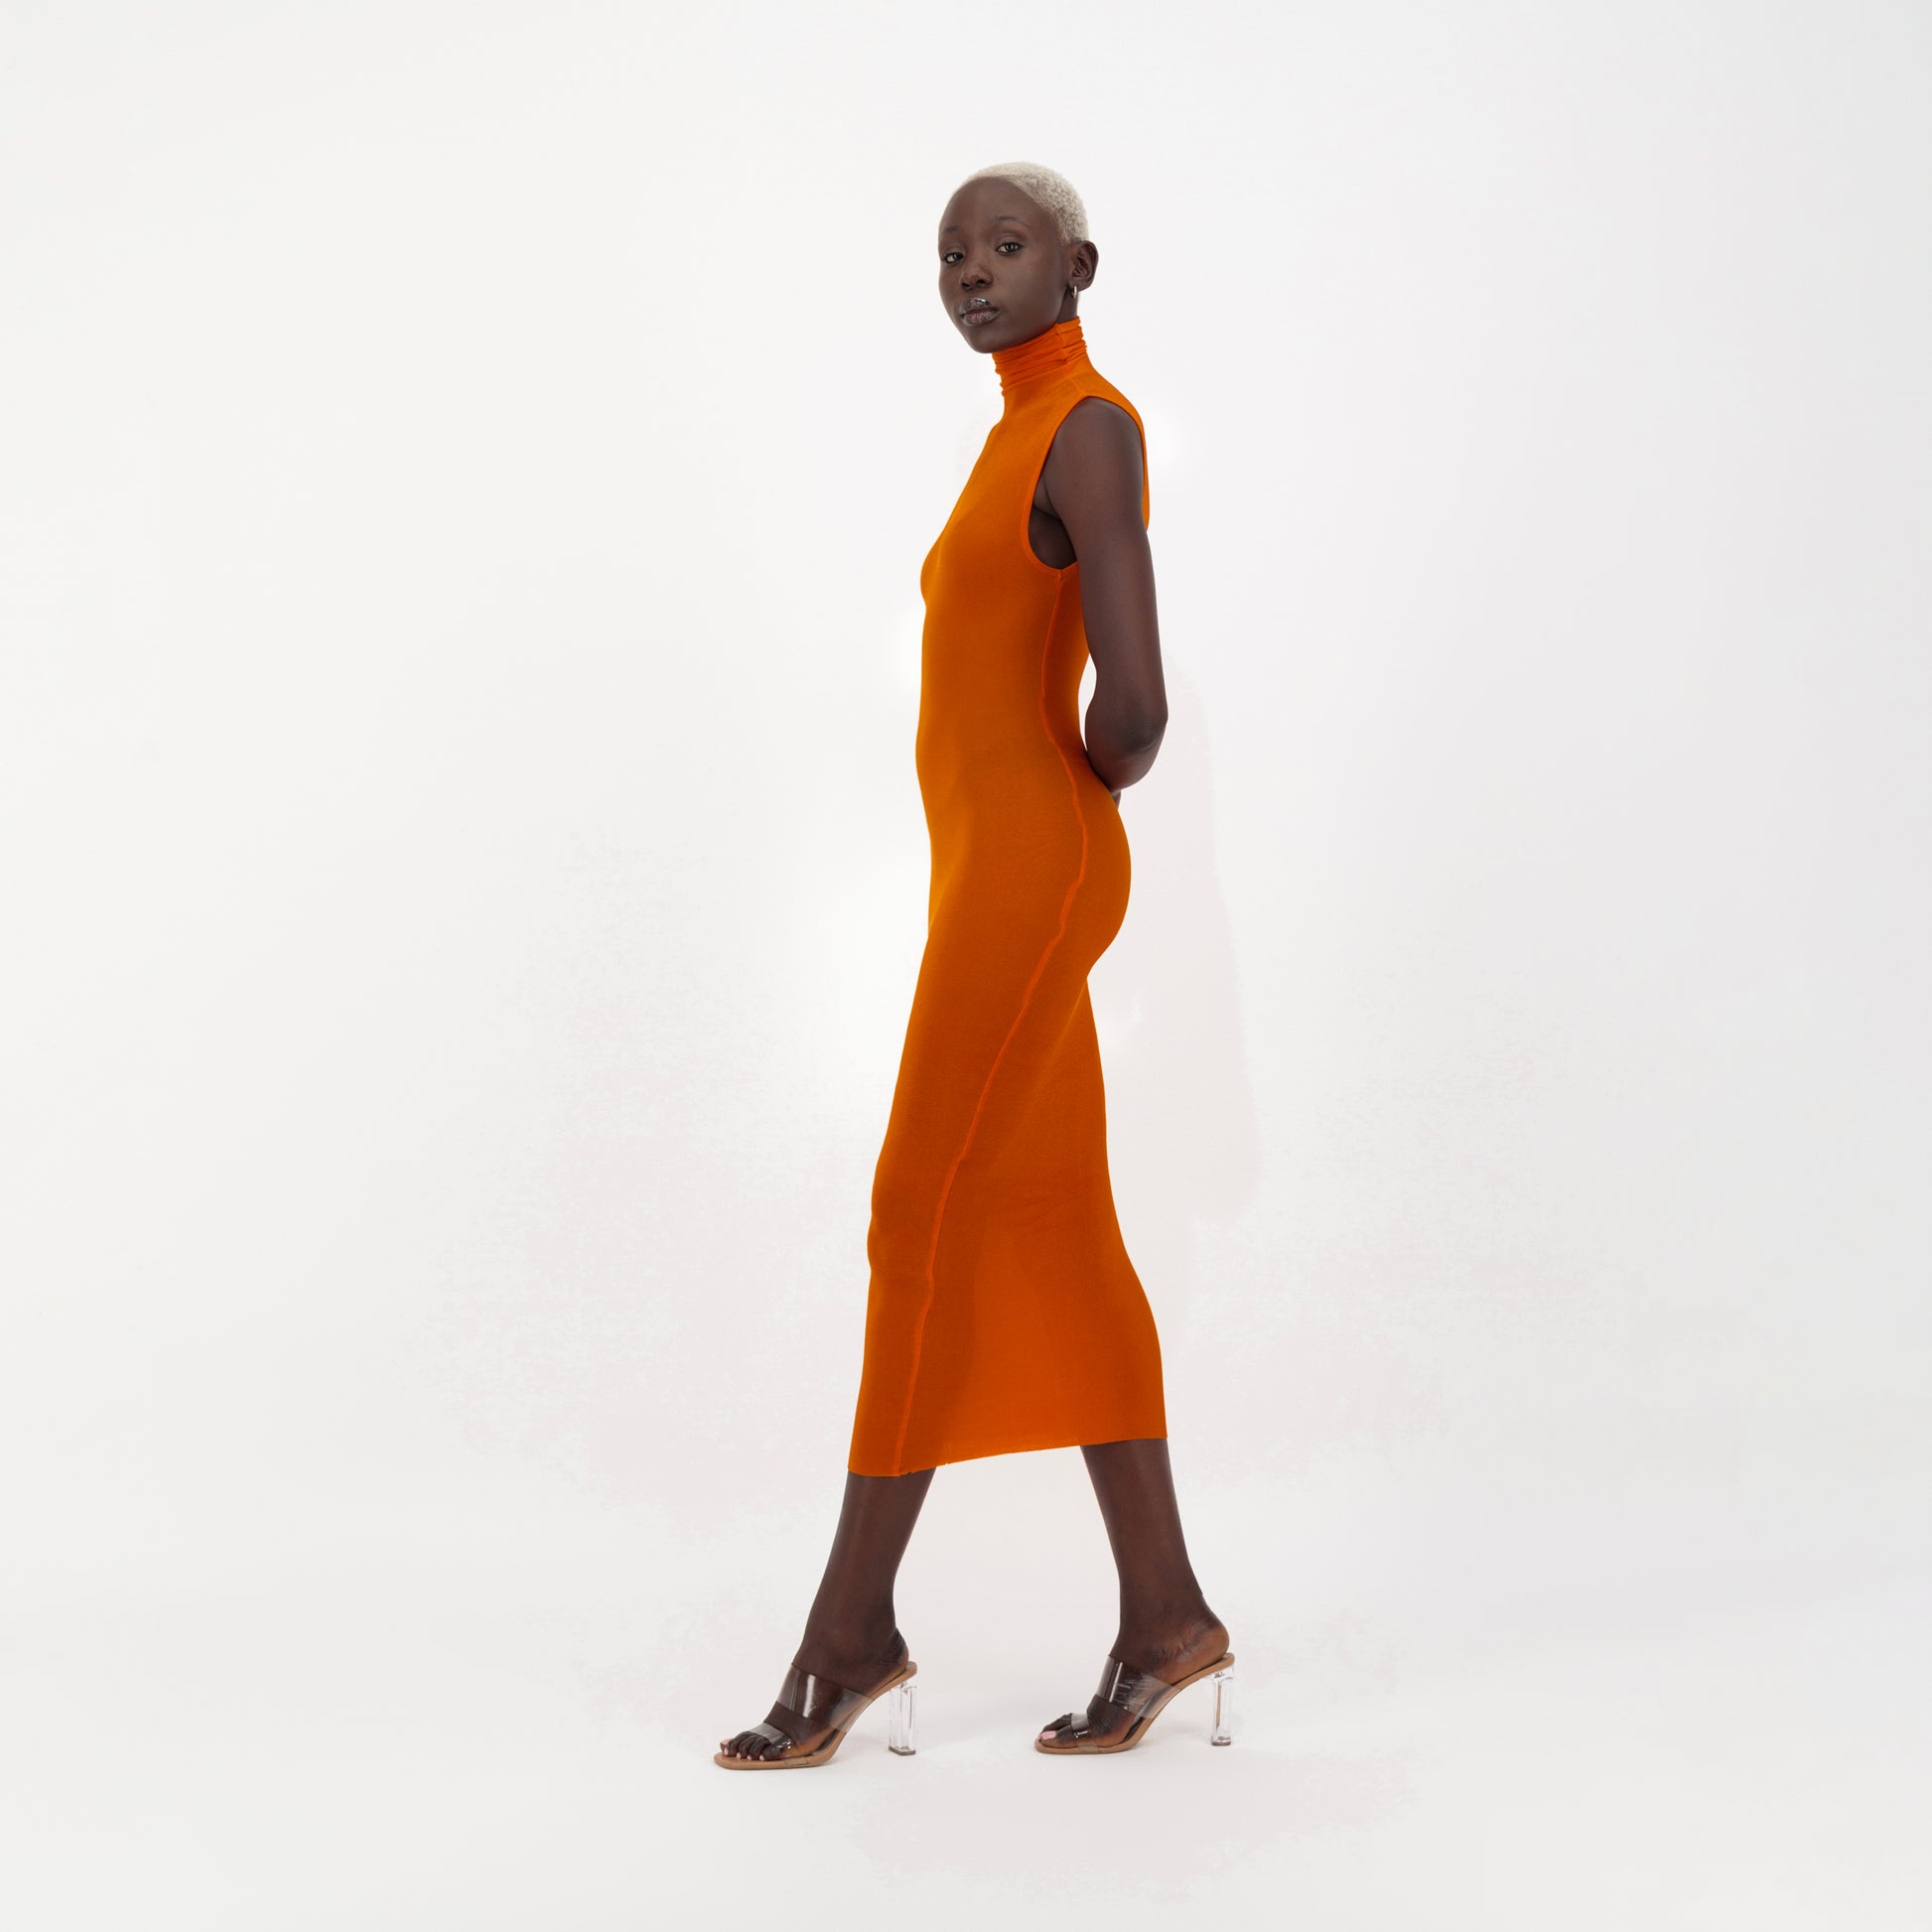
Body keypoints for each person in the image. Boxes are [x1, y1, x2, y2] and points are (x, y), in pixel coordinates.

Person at [715, 161, 1231, 1769]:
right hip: (994, 876)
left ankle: (845, 1635)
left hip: (1030, 871)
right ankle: (1166, 1614)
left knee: (911, 1210)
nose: (971, 273)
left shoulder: (1087, 426)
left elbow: (1132, 708)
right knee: (1057, 1230)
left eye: (1005, 245)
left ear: (1079, 263)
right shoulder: (1012, 434)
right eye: (949, 253)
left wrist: (1069, 798)